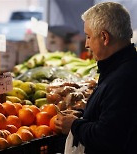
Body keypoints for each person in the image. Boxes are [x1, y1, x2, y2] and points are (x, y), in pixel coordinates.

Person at [54, 2, 137, 154]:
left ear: (104, 37)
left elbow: (109, 137)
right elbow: (115, 118)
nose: (86, 44)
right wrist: (85, 116)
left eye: (88, 36)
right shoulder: (119, 68)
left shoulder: (123, 79)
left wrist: (74, 126)